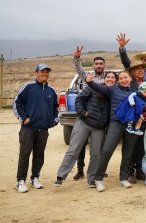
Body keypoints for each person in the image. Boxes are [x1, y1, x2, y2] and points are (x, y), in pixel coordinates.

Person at [54, 71, 117, 188]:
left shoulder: (115, 94)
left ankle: (91, 179)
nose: (110, 79)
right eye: (108, 77)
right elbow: (79, 99)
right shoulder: (94, 88)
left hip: (99, 127)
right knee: (73, 149)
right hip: (84, 122)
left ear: (116, 81)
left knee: (96, 154)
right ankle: (61, 176)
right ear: (104, 78)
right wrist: (82, 112)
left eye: (113, 78)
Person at [86, 70, 142, 191]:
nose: (123, 80)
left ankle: (123, 177)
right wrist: (89, 82)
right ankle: (98, 178)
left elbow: (142, 103)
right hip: (116, 122)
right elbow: (96, 86)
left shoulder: (135, 91)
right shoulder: (113, 89)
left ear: (130, 78)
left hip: (131, 123)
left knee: (128, 152)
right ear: (118, 80)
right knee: (107, 150)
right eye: (121, 78)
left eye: (125, 77)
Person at [13, 64, 59, 193]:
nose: (45, 74)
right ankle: (20, 181)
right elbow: (17, 102)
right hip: (28, 129)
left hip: (43, 130)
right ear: (36, 73)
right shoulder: (28, 87)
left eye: (47, 72)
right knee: (24, 155)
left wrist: (54, 120)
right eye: (42, 71)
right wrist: (23, 117)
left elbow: (56, 108)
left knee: (39, 155)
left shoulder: (51, 90)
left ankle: (35, 178)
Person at [72, 46, 107, 181]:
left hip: (100, 117)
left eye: (101, 63)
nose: (99, 65)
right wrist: (76, 57)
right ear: (93, 65)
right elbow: (78, 69)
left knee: (99, 147)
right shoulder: (88, 76)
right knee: (80, 145)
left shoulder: (109, 78)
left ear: (104, 65)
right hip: (86, 115)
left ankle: (98, 170)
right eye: (96, 63)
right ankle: (80, 170)